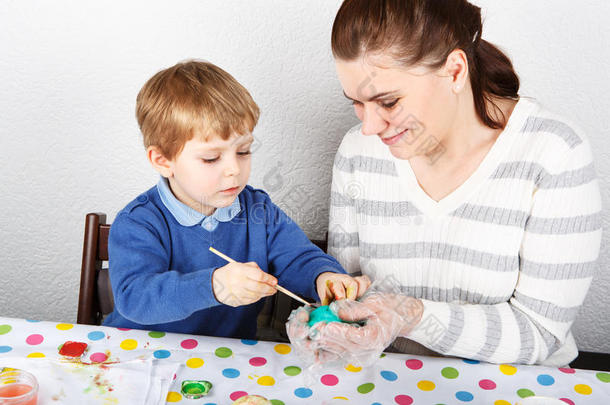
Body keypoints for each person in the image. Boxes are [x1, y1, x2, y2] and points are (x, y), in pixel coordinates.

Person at [289, 0, 602, 366]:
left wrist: (412, 315)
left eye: (388, 102)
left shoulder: (554, 154)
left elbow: (541, 333)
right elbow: (351, 293)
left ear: (455, 71)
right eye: (356, 103)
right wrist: (325, 321)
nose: (369, 126)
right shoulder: (359, 152)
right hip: (388, 380)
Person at [103, 60, 370, 338]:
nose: (234, 169)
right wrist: (214, 285)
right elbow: (135, 298)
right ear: (162, 160)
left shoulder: (259, 211)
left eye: (243, 151)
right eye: (211, 158)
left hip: (227, 359)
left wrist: (323, 277)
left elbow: (298, 257)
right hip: (140, 355)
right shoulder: (139, 222)